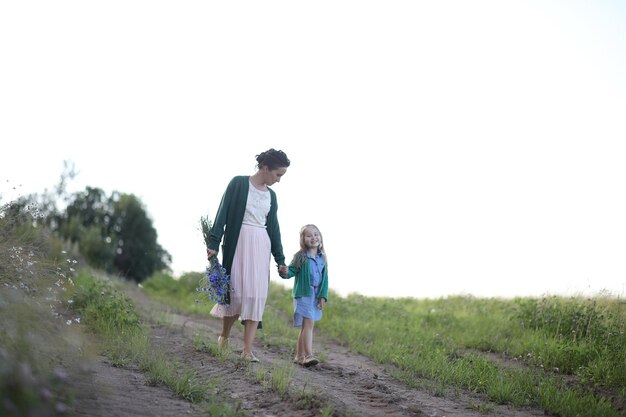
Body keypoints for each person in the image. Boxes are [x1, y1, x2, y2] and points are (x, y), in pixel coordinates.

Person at [207, 148, 290, 362]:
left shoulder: (272, 196)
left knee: (255, 295)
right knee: (236, 293)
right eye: (277, 175)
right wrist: (214, 241)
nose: (279, 180)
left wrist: (280, 259)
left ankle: (247, 350)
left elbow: (274, 228)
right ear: (264, 168)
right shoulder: (238, 184)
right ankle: (224, 337)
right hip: (239, 243)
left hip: (261, 245)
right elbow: (222, 211)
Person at [280, 224, 329, 367]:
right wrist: (284, 271)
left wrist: (322, 296)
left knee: (306, 326)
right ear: (303, 239)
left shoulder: (322, 258)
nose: (313, 238)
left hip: (315, 294)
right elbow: (291, 272)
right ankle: (308, 355)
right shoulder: (300, 256)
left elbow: (325, 279)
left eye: (316, 234)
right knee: (308, 324)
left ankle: (299, 356)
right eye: (309, 235)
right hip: (304, 294)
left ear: (320, 237)